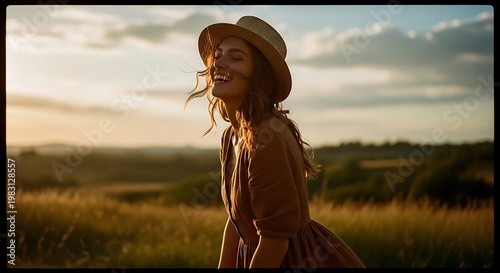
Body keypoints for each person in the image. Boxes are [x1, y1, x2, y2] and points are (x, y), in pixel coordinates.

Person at [185, 15, 366, 269]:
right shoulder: (231, 136)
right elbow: (237, 222)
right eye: (218, 54)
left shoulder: (265, 138)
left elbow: (274, 242)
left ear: (259, 75)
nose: (219, 63)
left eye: (236, 58)